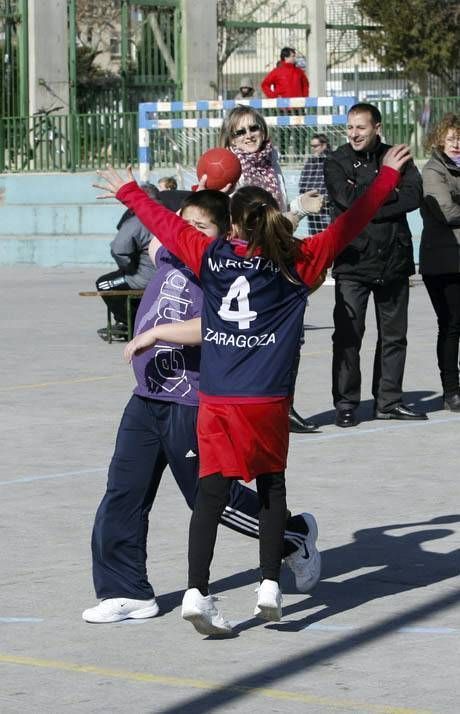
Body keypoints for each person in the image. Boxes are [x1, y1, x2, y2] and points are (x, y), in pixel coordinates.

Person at [95, 142, 412, 635]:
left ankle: (198, 590)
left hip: (216, 398)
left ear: (234, 226)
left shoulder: (213, 257)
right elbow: (350, 224)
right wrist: (387, 177)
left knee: (208, 497)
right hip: (265, 399)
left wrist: (131, 192)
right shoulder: (299, 262)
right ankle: (268, 585)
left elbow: (169, 226)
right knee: (270, 488)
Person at [82, 189, 321, 625]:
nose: (189, 231)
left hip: (192, 398)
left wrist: (158, 333)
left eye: (201, 227)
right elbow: (162, 235)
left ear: (225, 235)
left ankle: (292, 535)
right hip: (148, 394)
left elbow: (210, 325)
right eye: (185, 223)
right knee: (123, 490)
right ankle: (127, 589)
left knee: (209, 499)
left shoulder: (216, 269)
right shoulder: (172, 256)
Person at [220, 104, 323, 433]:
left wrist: (297, 207)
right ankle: (245, 409)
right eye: (240, 131)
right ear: (230, 137)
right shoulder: (229, 170)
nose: (249, 135)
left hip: (276, 257)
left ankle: (284, 406)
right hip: (247, 265)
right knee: (249, 341)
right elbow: (250, 226)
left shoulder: (270, 161)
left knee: (289, 337)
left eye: (254, 128)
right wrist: (295, 216)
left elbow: (275, 214)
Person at [324, 102, 427, 428]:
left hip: (393, 261)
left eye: (361, 127)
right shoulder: (336, 160)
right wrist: (387, 183)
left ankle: (389, 401)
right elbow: (348, 202)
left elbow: (413, 197)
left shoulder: (399, 156)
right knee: (348, 337)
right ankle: (346, 404)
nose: (354, 133)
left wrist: (370, 201)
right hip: (352, 262)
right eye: (350, 127)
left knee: (395, 337)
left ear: (376, 127)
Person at [419, 113, 460, 412]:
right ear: (439, 140)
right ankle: (451, 390)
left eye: (459, 138)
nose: (456, 144)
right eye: (451, 138)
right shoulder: (433, 170)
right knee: (451, 324)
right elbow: (446, 211)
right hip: (444, 259)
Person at [96, 183, 158, 341]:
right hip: (168, 274)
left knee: (104, 284)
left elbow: (119, 249)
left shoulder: (136, 222)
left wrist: (128, 268)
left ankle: (130, 324)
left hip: (146, 277)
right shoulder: (169, 214)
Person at [261, 47, 309, 158]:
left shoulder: (299, 72)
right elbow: (265, 84)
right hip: (283, 109)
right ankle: (283, 155)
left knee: (300, 132)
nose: (294, 58)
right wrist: (273, 97)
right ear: (286, 57)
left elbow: (305, 85)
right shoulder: (277, 72)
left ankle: (300, 155)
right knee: (283, 133)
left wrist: (304, 99)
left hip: (298, 107)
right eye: (293, 56)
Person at [299, 133, 332, 236]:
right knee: (314, 238)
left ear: (324, 145)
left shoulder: (332, 161)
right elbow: (303, 183)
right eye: (312, 146)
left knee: (327, 237)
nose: (313, 149)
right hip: (311, 208)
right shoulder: (310, 162)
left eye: (315, 146)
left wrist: (325, 199)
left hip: (326, 209)